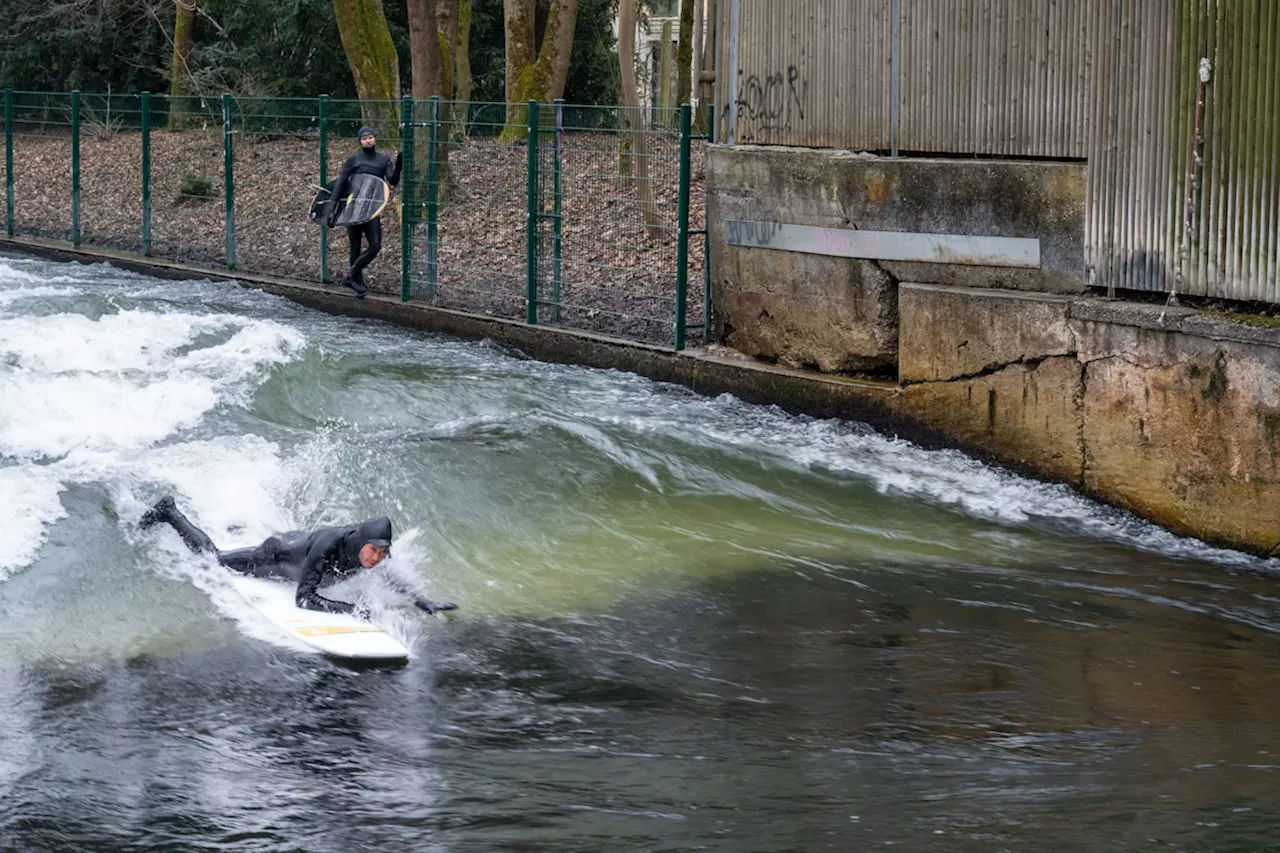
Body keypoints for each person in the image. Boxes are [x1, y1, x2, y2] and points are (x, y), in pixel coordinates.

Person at [139, 496, 456, 616]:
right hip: (273, 555)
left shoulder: (374, 553)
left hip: (298, 546)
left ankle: (235, 528)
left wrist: (422, 601)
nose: (377, 559)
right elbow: (304, 599)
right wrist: (351, 610)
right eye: (374, 551)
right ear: (362, 542)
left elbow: (391, 575)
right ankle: (171, 512)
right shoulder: (329, 546)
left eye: (382, 552)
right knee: (214, 559)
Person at [327, 126, 403, 298]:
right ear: (360, 141)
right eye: (364, 138)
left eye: (370, 137)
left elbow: (393, 181)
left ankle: (351, 275)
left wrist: (399, 164)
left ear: (374, 139)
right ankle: (356, 282)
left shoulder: (383, 160)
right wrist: (332, 208)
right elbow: (341, 183)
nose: (368, 140)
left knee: (375, 245)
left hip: (372, 210)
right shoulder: (353, 160)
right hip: (353, 209)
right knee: (355, 246)